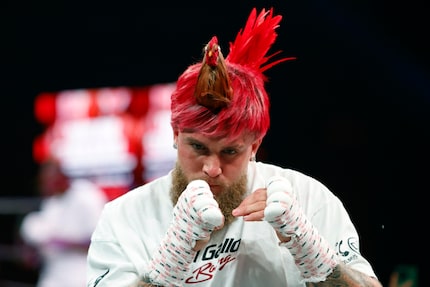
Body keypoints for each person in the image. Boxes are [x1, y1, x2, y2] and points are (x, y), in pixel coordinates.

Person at [86, 7, 382, 287]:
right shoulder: (123, 218)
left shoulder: (308, 198)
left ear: (255, 145)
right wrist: (167, 268)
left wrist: (313, 254)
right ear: (175, 134)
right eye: (198, 147)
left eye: (230, 151)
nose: (211, 169)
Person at [20, 156, 108, 287]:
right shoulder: (51, 203)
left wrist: (62, 243)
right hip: (53, 275)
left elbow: (102, 243)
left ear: (62, 176)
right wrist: (33, 253)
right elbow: (43, 241)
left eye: (49, 180)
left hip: (82, 273)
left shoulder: (87, 196)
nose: (45, 186)